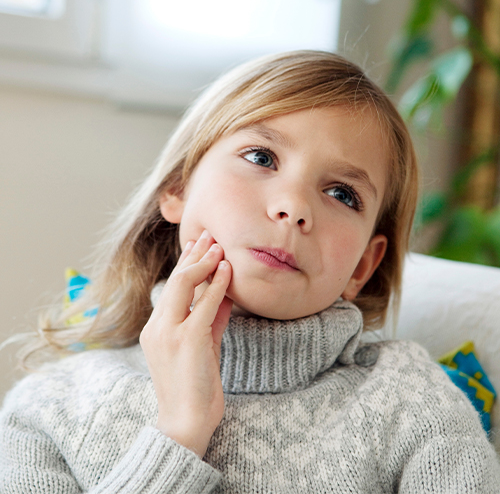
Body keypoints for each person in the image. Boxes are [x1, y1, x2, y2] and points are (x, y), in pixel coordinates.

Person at [0, 50, 498, 493]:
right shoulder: (50, 407)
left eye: (342, 194)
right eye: (261, 157)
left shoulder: (412, 400)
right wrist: (179, 432)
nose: (294, 207)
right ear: (178, 187)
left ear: (363, 266)